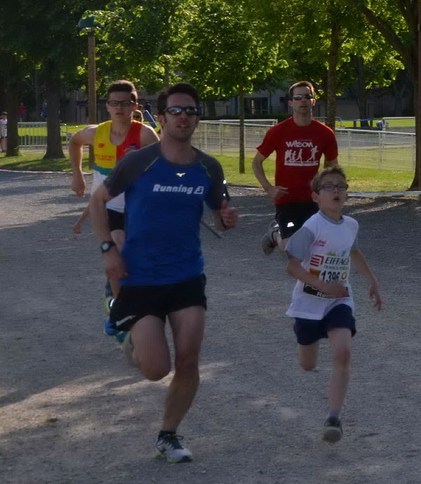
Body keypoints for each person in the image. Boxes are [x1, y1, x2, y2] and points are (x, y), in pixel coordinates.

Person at [89, 82, 238, 463]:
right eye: (176, 110)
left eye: (190, 110)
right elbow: (98, 200)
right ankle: (129, 335)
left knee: (188, 360)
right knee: (156, 369)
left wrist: (226, 218)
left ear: (197, 116)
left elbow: (221, 214)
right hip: (140, 277)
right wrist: (108, 250)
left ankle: (168, 435)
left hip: (187, 276)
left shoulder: (209, 167)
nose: (184, 116)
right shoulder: (139, 162)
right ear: (163, 116)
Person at [285, 166, 383, 443]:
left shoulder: (351, 225)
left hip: (339, 301)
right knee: (307, 364)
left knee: (343, 353)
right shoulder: (312, 227)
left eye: (341, 186)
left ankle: (333, 418)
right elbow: (292, 268)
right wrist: (323, 285)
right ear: (316, 196)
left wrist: (372, 280)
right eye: (328, 187)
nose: (336, 190)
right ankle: (275, 237)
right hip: (308, 303)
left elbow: (352, 250)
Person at [69, 80, 159, 297]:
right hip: (108, 207)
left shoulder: (145, 135)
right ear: (107, 106)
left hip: (137, 206)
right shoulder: (96, 132)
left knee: (135, 255)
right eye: (114, 103)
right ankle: (119, 307)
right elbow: (74, 142)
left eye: (125, 103)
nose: (119, 108)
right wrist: (78, 175)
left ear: (134, 107)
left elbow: (162, 165)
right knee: (116, 247)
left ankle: (123, 288)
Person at [252, 81, 338, 255]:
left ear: (313, 101)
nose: (303, 101)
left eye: (307, 96)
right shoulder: (278, 132)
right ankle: (275, 234)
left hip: (313, 199)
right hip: (287, 200)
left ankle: (310, 281)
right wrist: (269, 189)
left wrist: (329, 190)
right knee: (291, 248)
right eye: (298, 97)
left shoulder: (325, 133)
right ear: (291, 102)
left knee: (316, 246)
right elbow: (256, 162)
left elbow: (332, 165)